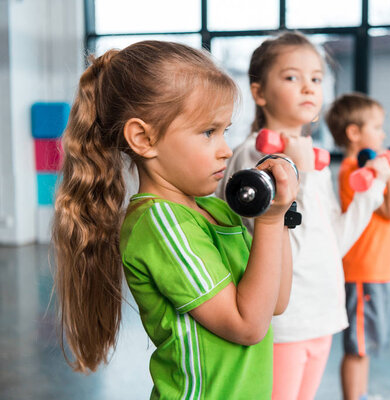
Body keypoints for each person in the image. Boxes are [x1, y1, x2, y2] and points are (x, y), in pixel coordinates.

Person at [52, 40, 298, 400]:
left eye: (225, 131)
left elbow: (275, 301)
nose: (226, 149)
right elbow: (248, 326)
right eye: (207, 132)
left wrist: (276, 213)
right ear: (143, 138)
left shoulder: (215, 210)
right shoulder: (161, 225)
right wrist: (270, 222)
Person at [216, 32, 390, 400]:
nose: (308, 87)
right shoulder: (252, 158)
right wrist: (300, 171)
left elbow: (332, 242)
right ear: (260, 93)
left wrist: (370, 193)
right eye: (292, 77)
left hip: (322, 311)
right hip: (284, 318)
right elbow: (277, 239)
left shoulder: (316, 161)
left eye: (316, 79)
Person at [325, 93, 390, 400]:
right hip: (365, 271)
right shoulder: (354, 171)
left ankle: (361, 393)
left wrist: (389, 167)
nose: (383, 134)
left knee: (367, 345)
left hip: (382, 269)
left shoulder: (372, 170)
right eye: (377, 126)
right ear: (354, 133)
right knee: (357, 347)